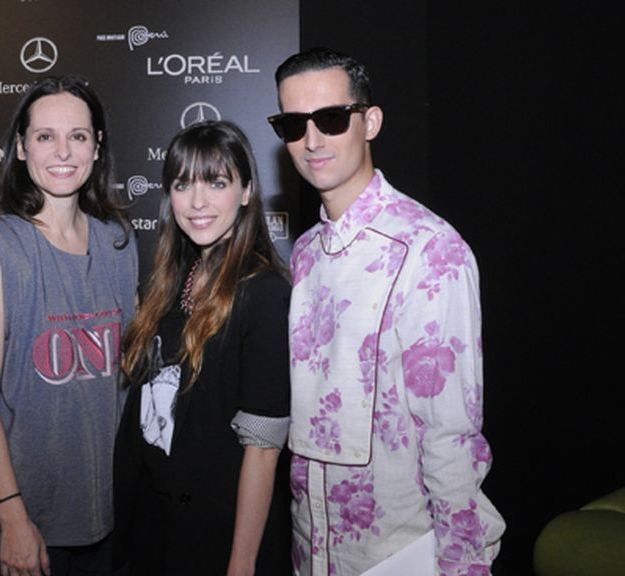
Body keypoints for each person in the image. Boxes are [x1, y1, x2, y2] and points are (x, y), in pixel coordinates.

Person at [269, 47, 505, 575]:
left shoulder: (429, 249)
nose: (312, 140)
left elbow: (451, 432)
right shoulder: (305, 252)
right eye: (292, 123)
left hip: (403, 555)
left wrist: (463, 563)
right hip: (312, 549)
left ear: (369, 121)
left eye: (330, 118)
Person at [0, 74, 138, 576]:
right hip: (26, 524)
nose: (63, 151)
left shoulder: (119, 241)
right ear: (21, 148)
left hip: (109, 515)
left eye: (78, 136)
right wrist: (13, 515)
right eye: (45, 137)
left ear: (97, 146)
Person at [114, 120, 291, 576]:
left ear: (247, 191)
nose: (197, 202)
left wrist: (242, 562)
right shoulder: (174, 282)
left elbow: (264, 448)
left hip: (220, 538)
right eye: (182, 183)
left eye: (216, 182)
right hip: (156, 529)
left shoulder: (264, 292)